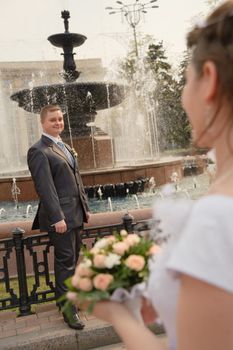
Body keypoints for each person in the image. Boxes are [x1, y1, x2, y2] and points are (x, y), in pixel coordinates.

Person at [82, 1, 233, 349]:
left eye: (186, 80)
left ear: (209, 79)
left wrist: (119, 314)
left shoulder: (216, 218)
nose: (182, 96)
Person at [27, 104, 90, 330]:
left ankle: (70, 299)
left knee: (73, 261)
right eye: (53, 120)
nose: (58, 123)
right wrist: (57, 218)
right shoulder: (39, 150)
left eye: (60, 119)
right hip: (61, 219)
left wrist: (85, 206)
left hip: (76, 214)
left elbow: (77, 178)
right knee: (65, 263)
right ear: (43, 122)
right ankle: (68, 311)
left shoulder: (65, 147)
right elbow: (45, 188)